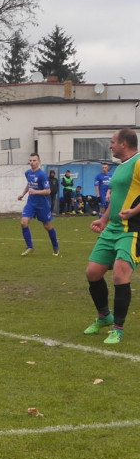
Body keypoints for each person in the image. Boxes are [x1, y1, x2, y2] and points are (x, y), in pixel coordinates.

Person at [83, 128, 140, 345]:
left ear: (124, 143)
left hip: (131, 229)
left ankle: (118, 328)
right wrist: (104, 219)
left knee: (120, 272)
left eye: (112, 142)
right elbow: (116, 197)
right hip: (113, 227)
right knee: (93, 272)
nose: (110, 146)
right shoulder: (121, 166)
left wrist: (134, 211)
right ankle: (104, 316)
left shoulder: (138, 162)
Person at [16, 153, 60, 256]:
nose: (32, 162)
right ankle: (30, 247)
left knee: (47, 226)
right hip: (31, 203)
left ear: (39, 162)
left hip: (42, 205)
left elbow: (48, 191)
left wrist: (35, 192)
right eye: (30, 160)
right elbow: (29, 184)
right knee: (23, 222)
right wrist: (23, 194)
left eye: (34, 160)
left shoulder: (42, 175)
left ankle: (55, 246)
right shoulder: (28, 173)